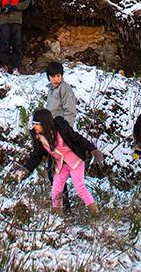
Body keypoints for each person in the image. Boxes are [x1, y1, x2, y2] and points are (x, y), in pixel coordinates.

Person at [13, 108, 103, 215]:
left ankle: (95, 214)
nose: (33, 126)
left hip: (75, 160)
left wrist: (93, 150)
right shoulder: (38, 137)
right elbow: (37, 156)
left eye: (36, 124)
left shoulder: (61, 127)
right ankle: (57, 217)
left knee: (80, 188)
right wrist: (26, 169)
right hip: (60, 164)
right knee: (56, 191)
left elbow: (77, 138)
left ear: (44, 123)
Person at [44, 61, 79, 208]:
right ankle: (61, 205)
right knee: (53, 171)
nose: (56, 79)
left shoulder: (65, 89)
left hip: (61, 135)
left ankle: (64, 206)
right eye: (52, 76)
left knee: (56, 172)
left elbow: (70, 112)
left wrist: (65, 134)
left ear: (62, 75)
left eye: (58, 76)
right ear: (48, 78)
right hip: (52, 133)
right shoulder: (51, 89)